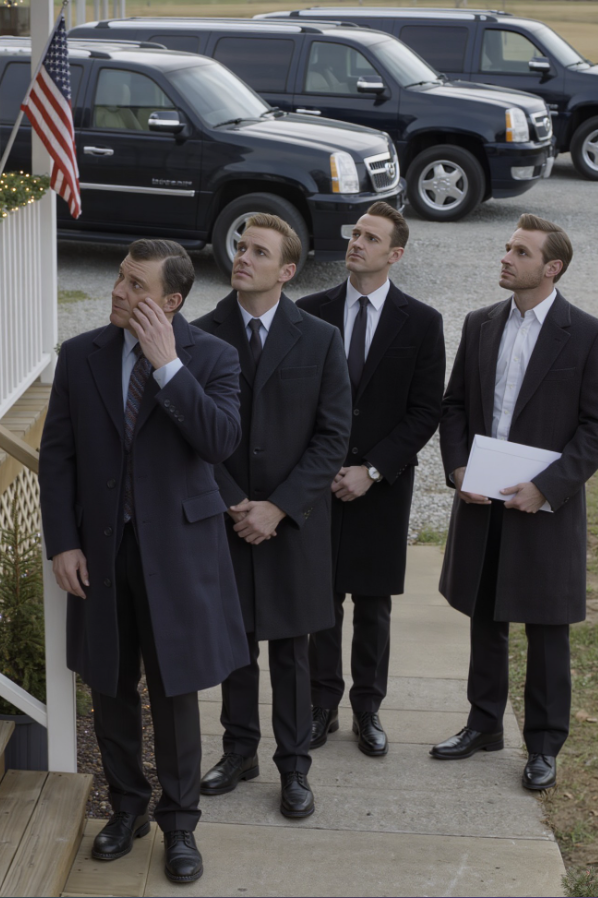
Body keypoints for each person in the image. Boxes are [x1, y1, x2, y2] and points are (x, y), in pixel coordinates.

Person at [39, 239, 248, 885]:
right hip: (101, 551)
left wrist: (167, 367)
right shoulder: (81, 354)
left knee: (174, 689)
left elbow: (219, 441)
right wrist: (63, 541)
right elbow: (58, 456)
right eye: (120, 278)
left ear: (171, 301)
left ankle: (180, 823)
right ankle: (126, 807)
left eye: (137, 286)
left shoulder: (213, 356)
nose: (119, 292)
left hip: (178, 553)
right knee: (109, 685)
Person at [432, 213, 598, 792]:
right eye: (507, 247)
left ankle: (544, 745)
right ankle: (484, 724)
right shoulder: (480, 323)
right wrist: (458, 469)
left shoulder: (586, 333)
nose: (505, 257)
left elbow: (594, 428)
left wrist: (547, 486)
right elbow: (454, 405)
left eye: (520, 251)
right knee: (485, 613)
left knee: (546, 626)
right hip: (483, 496)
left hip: (547, 504)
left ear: (552, 268)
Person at [193, 214, 351, 819]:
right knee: (233, 644)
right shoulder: (199, 335)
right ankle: (239, 751)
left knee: (291, 649)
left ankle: (294, 765)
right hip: (227, 516)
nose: (243, 257)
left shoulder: (320, 338)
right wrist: (234, 500)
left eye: (259, 251)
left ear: (287, 270)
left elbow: (332, 437)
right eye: (240, 246)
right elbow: (190, 430)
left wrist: (279, 506)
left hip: (294, 522)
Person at [297, 202, 445, 757]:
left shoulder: (422, 322)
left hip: (382, 485)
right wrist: (322, 466)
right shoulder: (309, 311)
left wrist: (373, 469)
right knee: (321, 599)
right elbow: (298, 402)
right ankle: (321, 705)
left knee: (374, 603)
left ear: (395, 254)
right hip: (319, 482)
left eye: (371, 238)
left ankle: (368, 708)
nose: (356, 243)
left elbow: (425, 411)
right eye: (355, 233)